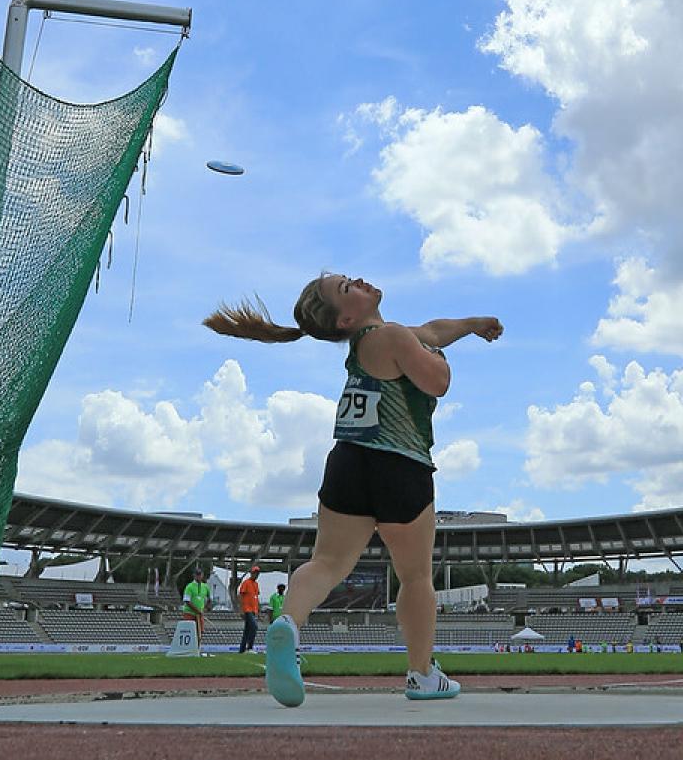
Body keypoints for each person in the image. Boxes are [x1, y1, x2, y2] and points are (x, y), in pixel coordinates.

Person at [205, 274, 502, 707]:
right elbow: (437, 380)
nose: (359, 280)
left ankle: (288, 622)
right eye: (348, 287)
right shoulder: (395, 337)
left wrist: (473, 323)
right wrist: (438, 356)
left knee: (326, 562)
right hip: (401, 464)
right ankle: (421, 673)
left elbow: (435, 330)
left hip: (347, 461)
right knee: (416, 576)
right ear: (346, 317)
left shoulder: (373, 342)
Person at [182, 566, 211, 643]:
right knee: (189, 631)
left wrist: (205, 608)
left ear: (202, 575)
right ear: (194, 575)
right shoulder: (189, 587)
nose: (198, 576)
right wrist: (197, 610)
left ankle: (197, 649)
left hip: (200, 614)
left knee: (200, 632)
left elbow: (209, 599)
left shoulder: (205, 587)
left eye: (200, 574)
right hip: (189, 613)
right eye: (197, 574)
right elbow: (187, 601)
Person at [237, 566, 262, 653]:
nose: (256, 575)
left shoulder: (256, 584)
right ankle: (250, 647)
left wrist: (258, 610)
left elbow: (256, 597)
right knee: (254, 627)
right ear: (251, 573)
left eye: (257, 573)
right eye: (255, 573)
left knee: (247, 630)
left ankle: (242, 650)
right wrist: (241, 609)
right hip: (247, 609)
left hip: (254, 610)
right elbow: (240, 595)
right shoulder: (246, 583)